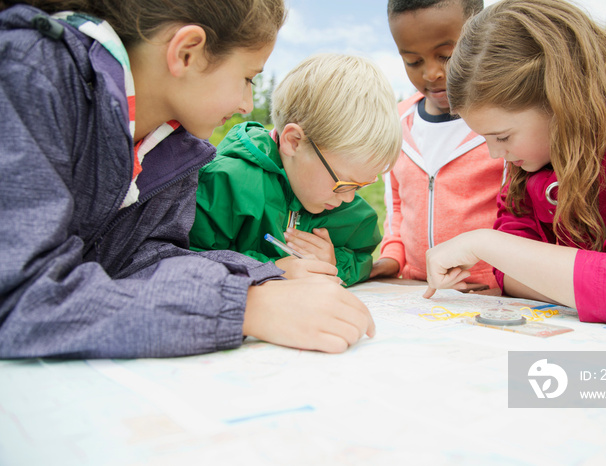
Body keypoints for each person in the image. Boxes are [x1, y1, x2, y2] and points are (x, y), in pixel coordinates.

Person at [0, 0, 375, 359]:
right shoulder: (31, 74)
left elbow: (144, 259)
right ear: (187, 53)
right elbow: (17, 296)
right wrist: (243, 306)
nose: (248, 104)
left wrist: (261, 276)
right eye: (247, 77)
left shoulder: (178, 149)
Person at [424, 0, 606, 328]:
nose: (495, 155)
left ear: (559, 100)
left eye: (502, 136)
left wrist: (484, 243)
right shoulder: (535, 154)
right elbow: (509, 273)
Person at [189, 54, 401, 287]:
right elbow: (185, 261)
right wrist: (269, 271)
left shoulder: (344, 206)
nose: (349, 198)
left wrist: (333, 263)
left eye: (360, 186)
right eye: (344, 183)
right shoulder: (225, 181)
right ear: (294, 142)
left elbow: (361, 257)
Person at [370, 0, 504, 289]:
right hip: (417, 291)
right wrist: (391, 259)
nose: (431, 73)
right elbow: (396, 206)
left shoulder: (505, 124)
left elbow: (519, 216)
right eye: (413, 61)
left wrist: (501, 280)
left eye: (446, 55)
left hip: (490, 293)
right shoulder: (397, 123)